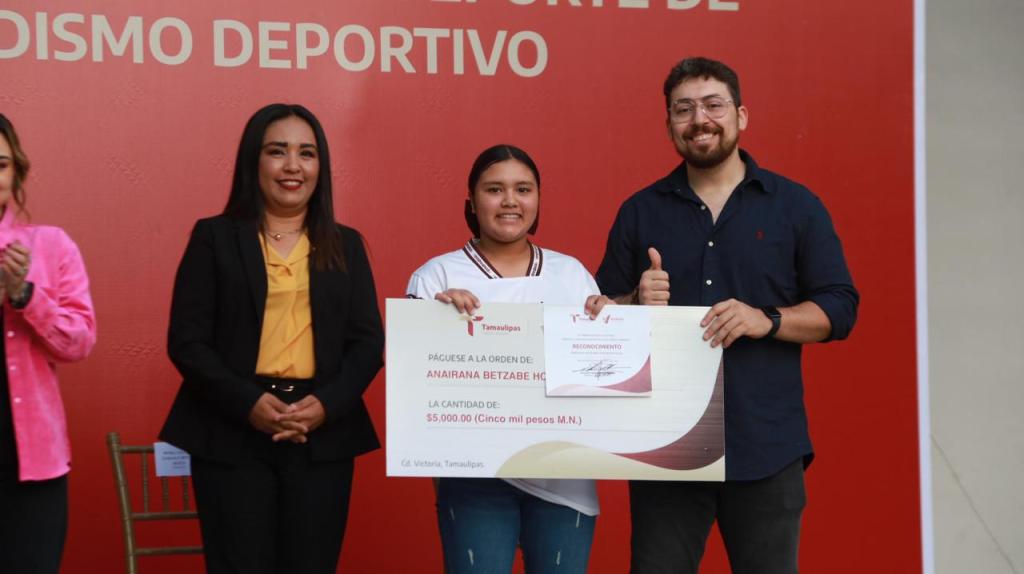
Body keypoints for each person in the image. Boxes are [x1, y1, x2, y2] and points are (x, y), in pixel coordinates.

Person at [595, 57, 860, 574]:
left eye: (713, 105)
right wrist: (630, 302)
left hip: (766, 445)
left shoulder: (796, 207)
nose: (700, 119)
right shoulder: (640, 211)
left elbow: (841, 306)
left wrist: (770, 320)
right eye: (684, 109)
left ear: (741, 115)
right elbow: (596, 316)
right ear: (669, 123)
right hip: (664, 447)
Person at [159, 103, 384, 574]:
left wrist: (325, 404)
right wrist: (248, 403)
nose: (292, 167)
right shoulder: (214, 238)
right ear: (252, 161)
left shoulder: (346, 244)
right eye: (277, 151)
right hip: (231, 429)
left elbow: (366, 344)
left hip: (321, 433)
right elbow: (188, 340)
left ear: (320, 166)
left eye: (307, 153)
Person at [406, 144, 613, 574]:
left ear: (537, 200)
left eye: (523, 189)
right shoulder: (437, 276)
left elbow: (599, 376)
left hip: (564, 474)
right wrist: (433, 322)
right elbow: (411, 380)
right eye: (494, 189)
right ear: (471, 201)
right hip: (474, 474)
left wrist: (605, 325)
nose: (510, 201)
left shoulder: (571, 274)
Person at [0, 113, 97, 573]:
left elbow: (79, 342)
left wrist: (24, 296)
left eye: (0, 164)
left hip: (32, 467)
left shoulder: (51, 246)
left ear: (17, 172)